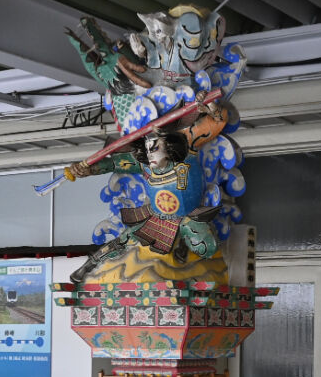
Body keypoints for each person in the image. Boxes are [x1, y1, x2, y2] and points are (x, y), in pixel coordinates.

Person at [63, 101, 228, 284]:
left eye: (155, 148)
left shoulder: (189, 152)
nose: (150, 155)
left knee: (206, 247)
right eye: (148, 149)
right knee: (125, 239)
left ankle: (183, 245)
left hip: (187, 217)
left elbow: (217, 122)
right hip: (158, 217)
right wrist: (89, 169)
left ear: (169, 146)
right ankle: (90, 265)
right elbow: (114, 163)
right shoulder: (145, 166)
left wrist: (212, 107)